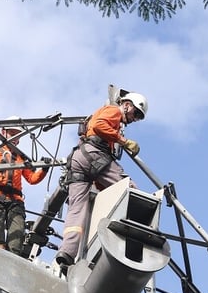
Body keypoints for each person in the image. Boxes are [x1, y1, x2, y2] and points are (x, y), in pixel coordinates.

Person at [55, 90, 148, 272]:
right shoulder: (114, 110)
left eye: (138, 117)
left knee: (77, 210)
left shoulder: (108, 114)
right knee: (131, 191)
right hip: (94, 155)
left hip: (79, 159)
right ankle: (136, 241)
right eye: (135, 113)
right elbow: (99, 126)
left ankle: (67, 253)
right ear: (127, 105)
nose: (134, 118)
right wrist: (124, 141)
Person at [0, 117, 49, 256]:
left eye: (18, 136)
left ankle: (13, 260)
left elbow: (32, 179)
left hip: (15, 201)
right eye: (13, 134)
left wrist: (44, 170)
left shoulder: (20, 158)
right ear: (3, 132)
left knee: (16, 238)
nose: (15, 138)